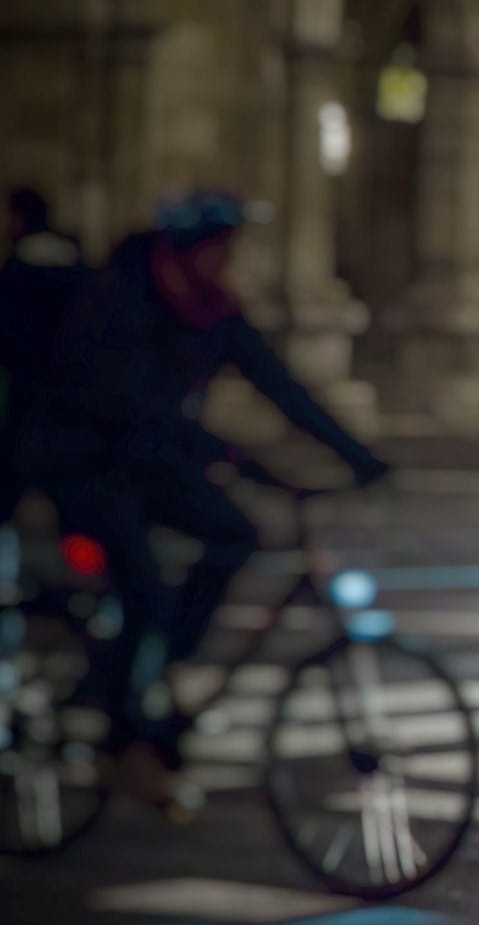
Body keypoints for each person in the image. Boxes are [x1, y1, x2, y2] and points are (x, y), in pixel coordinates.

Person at [21, 189, 388, 778]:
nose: (228, 260)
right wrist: (238, 459)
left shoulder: (211, 309)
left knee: (236, 533)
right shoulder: (121, 297)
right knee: (142, 585)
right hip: (83, 463)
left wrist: (361, 458)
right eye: (220, 248)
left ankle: (165, 658)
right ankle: (120, 736)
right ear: (187, 250)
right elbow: (130, 406)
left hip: (146, 464)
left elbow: (281, 387)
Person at [1, 188, 89, 522]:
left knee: (19, 451)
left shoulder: (21, 261)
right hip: (69, 374)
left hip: (27, 373)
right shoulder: (72, 253)